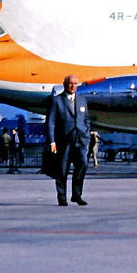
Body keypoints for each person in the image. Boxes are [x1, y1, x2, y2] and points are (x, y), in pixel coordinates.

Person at [45, 75, 91, 206]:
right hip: (63, 141)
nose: (73, 86)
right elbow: (51, 123)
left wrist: (87, 132)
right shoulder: (56, 100)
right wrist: (52, 142)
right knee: (62, 170)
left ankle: (77, 195)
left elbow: (86, 118)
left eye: (75, 84)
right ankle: (62, 197)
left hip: (80, 140)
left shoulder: (82, 100)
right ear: (65, 84)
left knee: (82, 165)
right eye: (70, 83)